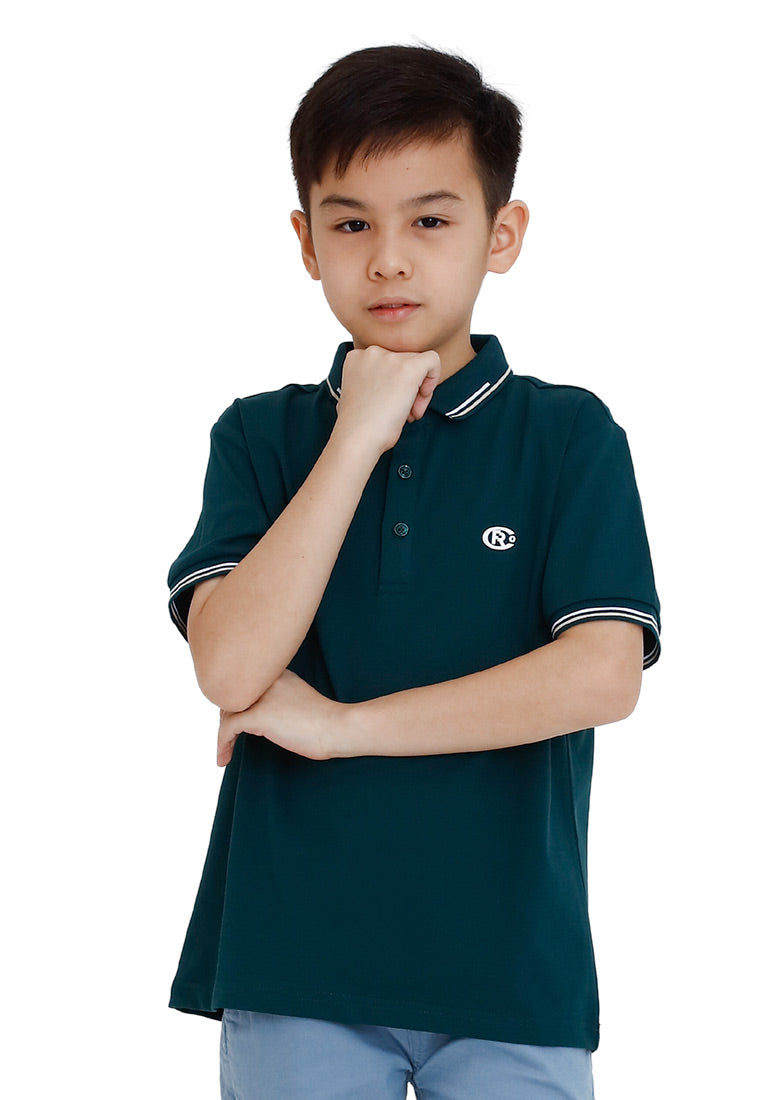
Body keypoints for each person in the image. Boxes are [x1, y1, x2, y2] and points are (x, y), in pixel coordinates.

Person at [167, 44, 660, 1100]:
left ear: (502, 233)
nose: (389, 259)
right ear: (306, 242)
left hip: (512, 972)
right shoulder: (259, 437)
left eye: (430, 220)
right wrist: (357, 434)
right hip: (294, 961)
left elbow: (601, 673)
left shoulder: (568, 437)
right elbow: (231, 666)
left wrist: (343, 726)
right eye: (351, 225)